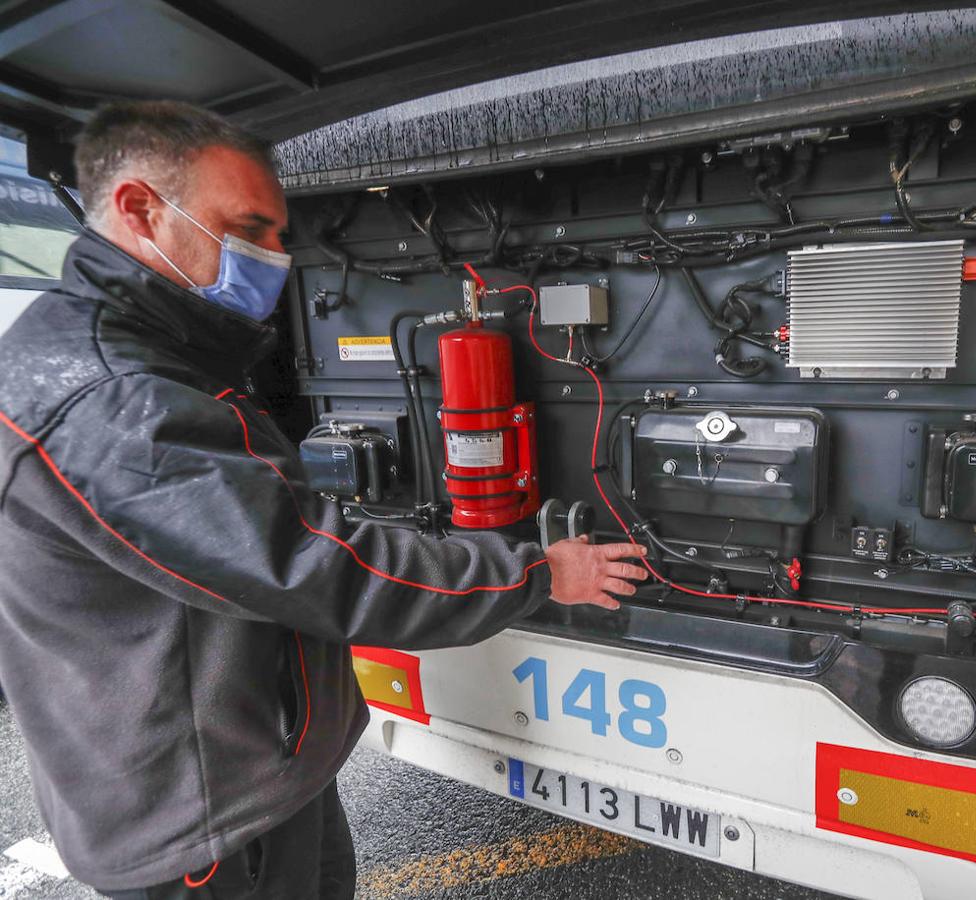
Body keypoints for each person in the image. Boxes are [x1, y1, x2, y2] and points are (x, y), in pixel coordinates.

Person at [0, 100, 648, 899]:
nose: (278, 256)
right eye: (251, 228)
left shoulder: (122, 356)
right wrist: (541, 575)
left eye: (278, 232)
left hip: (247, 774)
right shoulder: (114, 399)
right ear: (140, 209)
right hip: (206, 824)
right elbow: (317, 569)